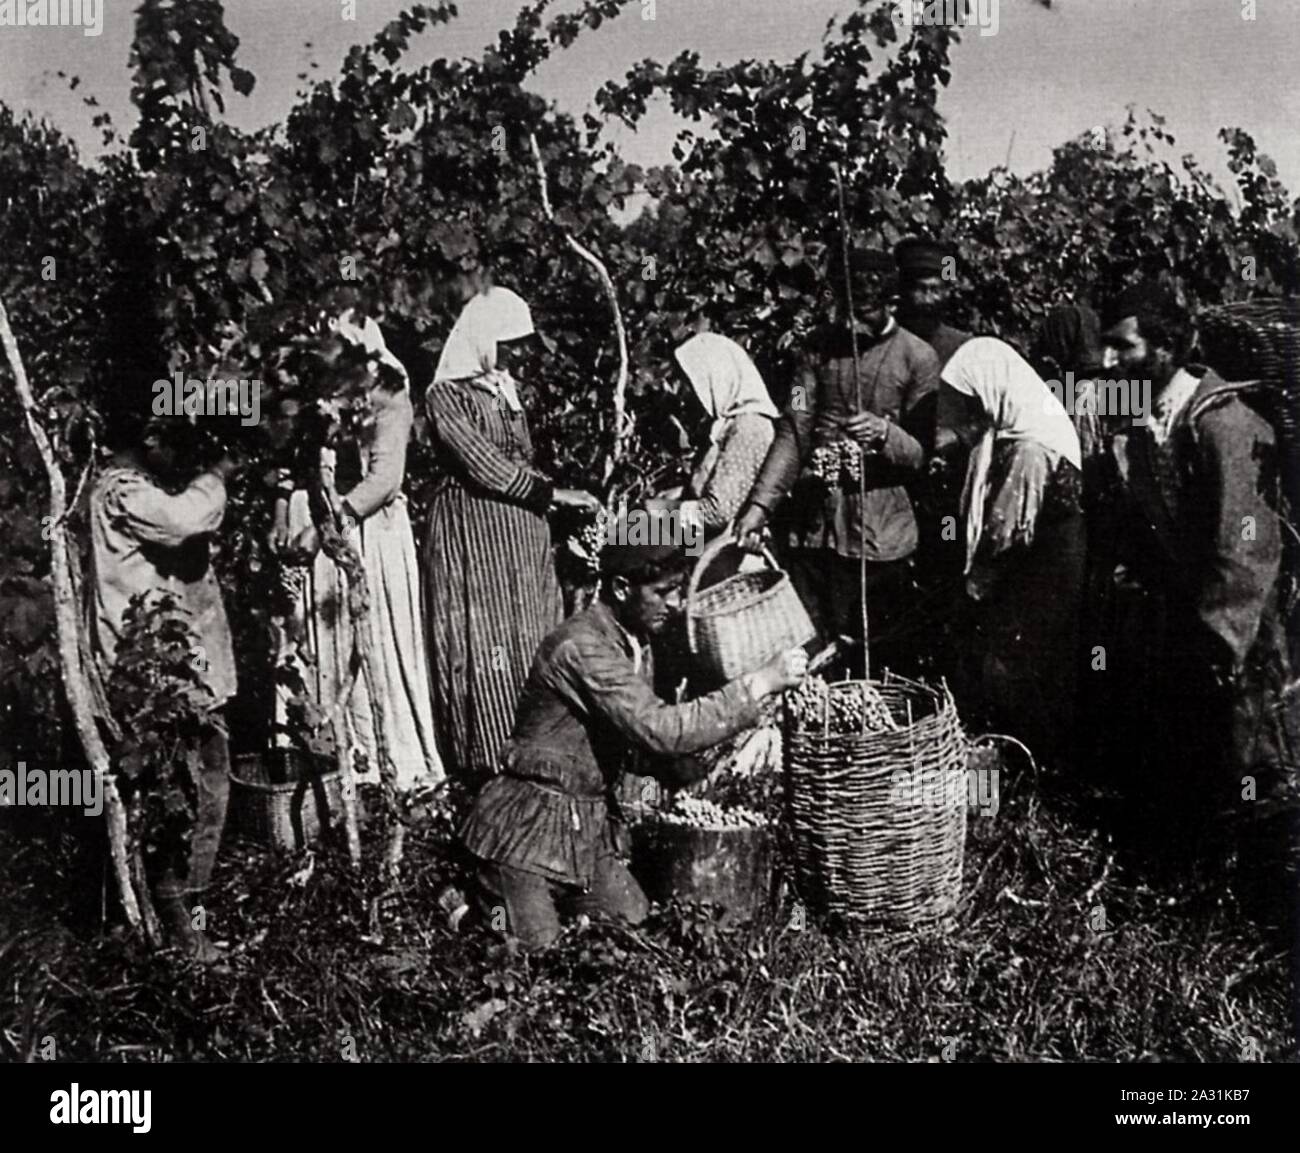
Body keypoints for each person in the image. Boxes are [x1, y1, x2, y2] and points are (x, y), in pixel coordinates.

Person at [458, 535, 808, 949]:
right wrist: (757, 684)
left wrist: (685, 774)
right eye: (663, 592)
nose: (676, 603)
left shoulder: (632, 642)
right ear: (622, 588)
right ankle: (471, 911)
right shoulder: (581, 648)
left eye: (678, 590)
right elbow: (658, 729)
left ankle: (539, 908)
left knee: (635, 934)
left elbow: (632, 738)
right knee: (535, 959)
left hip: (583, 834)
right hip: (523, 835)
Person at [1099, 284, 1298, 893]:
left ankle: (1264, 897)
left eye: (1122, 346)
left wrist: (1221, 635)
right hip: (1185, 620)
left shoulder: (1227, 426)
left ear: (1164, 347)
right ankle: (1204, 877)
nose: (1109, 362)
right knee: (1204, 756)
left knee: (1262, 753)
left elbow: (1248, 542)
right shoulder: (1144, 424)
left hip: (1244, 631)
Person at [735, 248, 940, 678]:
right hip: (815, 530)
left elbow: (921, 452)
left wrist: (885, 434)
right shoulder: (813, 352)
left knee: (875, 656)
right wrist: (759, 507)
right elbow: (793, 427)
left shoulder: (918, 358)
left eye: (862, 311)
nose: (848, 323)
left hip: (881, 537)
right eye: (844, 309)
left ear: (890, 305)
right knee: (811, 650)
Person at [89, 378, 239, 961]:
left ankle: (185, 910)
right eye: (172, 444)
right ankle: (179, 922)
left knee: (204, 782)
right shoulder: (122, 492)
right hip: (156, 673)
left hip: (176, 666)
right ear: (149, 439)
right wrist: (218, 476)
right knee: (184, 790)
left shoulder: (130, 486)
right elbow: (182, 520)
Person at [424, 286, 599, 783]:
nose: (518, 353)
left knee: (530, 634)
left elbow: (518, 460)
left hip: (522, 537)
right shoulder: (446, 396)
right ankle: (485, 763)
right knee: (487, 642)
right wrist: (556, 495)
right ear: (483, 338)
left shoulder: (503, 392)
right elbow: (486, 467)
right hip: (475, 533)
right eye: (510, 342)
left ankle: (537, 750)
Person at [270, 313, 445, 796]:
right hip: (317, 518)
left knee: (371, 641)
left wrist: (329, 528)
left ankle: (385, 766)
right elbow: (291, 459)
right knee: (312, 639)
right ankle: (319, 760)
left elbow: (384, 482)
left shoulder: (388, 391)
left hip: (366, 528)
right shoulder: (313, 391)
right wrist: (283, 514)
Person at [939, 336, 1085, 763]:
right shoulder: (1014, 428)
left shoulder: (1031, 447)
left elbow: (1004, 530)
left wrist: (976, 583)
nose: (970, 411)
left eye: (972, 399)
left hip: (1043, 572)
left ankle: (1020, 769)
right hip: (1031, 568)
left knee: (1013, 666)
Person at [669, 332, 778, 536]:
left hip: (729, 555)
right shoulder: (725, 424)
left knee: (623, 546)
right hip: (705, 541)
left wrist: (657, 514)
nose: (684, 394)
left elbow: (718, 512)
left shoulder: (750, 428)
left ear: (715, 378)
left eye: (690, 383)